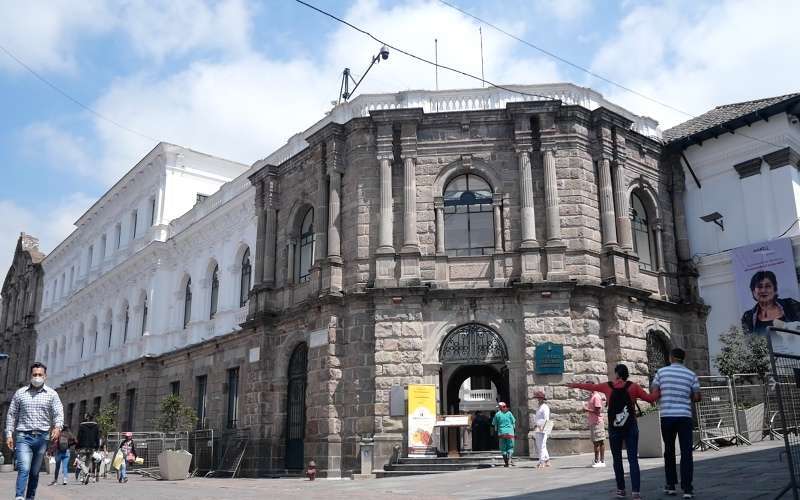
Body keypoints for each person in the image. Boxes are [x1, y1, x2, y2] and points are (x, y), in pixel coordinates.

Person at [569, 364, 657, 500]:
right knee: (633, 460)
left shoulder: (607, 386)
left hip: (614, 428)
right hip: (631, 427)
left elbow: (591, 387)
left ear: (616, 374)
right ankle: (636, 493)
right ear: (626, 374)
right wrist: (660, 389)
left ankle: (621, 490)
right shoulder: (634, 387)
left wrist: (574, 385)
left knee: (617, 460)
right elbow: (650, 398)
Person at [5, 361, 64, 500]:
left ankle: (30, 497)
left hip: (42, 438)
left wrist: (57, 427)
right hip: (23, 437)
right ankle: (19, 496)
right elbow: (11, 414)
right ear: (30, 376)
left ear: (45, 376)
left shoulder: (52, 394)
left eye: (40, 374)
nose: (37, 377)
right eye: (34, 374)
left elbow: (58, 413)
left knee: (34, 472)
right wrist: (9, 434)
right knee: (24, 468)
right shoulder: (20, 393)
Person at [650, 348, 701, 499]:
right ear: (683, 359)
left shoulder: (661, 372)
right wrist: (687, 395)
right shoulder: (691, 375)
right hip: (684, 416)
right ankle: (687, 489)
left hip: (667, 416)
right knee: (686, 453)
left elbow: (654, 390)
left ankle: (671, 485)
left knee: (669, 451)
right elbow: (697, 397)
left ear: (671, 357)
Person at [741, 270, 800, 335]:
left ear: (775, 290)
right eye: (759, 287)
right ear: (753, 292)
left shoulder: (791, 304)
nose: (763, 290)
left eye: (768, 286)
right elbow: (750, 342)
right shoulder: (748, 317)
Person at [76, 413, 101, 484]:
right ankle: (84, 478)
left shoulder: (82, 426)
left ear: (87, 418)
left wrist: (77, 446)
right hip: (92, 447)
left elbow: (79, 437)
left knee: (81, 462)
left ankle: (86, 474)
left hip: (83, 447)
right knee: (87, 462)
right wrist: (97, 446)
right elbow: (97, 437)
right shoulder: (96, 426)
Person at [584, 390, 606, 468]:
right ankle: (597, 460)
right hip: (593, 422)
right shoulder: (592, 396)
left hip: (597, 422)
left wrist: (587, 410)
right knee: (596, 442)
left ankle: (601, 461)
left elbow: (598, 411)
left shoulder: (596, 397)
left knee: (599, 441)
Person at [491, 402, 516, 467]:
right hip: (510, 432)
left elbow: (493, 423)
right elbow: (513, 421)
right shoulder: (509, 413)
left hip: (501, 433)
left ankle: (506, 463)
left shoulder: (497, 414)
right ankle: (510, 461)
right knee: (510, 447)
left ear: (500, 407)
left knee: (503, 448)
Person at [532, 391, 551, 468]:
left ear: (542, 399)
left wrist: (544, 428)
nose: (537, 400)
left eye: (538, 398)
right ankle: (547, 460)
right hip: (538, 427)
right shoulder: (539, 407)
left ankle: (541, 461)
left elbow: (546, 418)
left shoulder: (545, 407)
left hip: (542, 427)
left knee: (541, 445)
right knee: (540, 444)